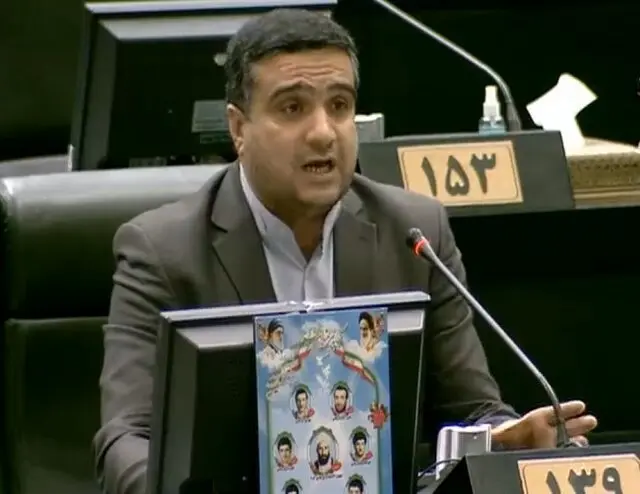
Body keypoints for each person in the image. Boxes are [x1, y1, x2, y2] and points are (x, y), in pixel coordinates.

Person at [93, 7, 597, 494]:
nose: (323, 132)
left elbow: (474, 410)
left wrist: (505, 442)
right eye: (292, 108)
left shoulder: (414, 233)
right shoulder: (163, 252)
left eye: (339, 106)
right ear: (238, 128)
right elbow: (125, 439)